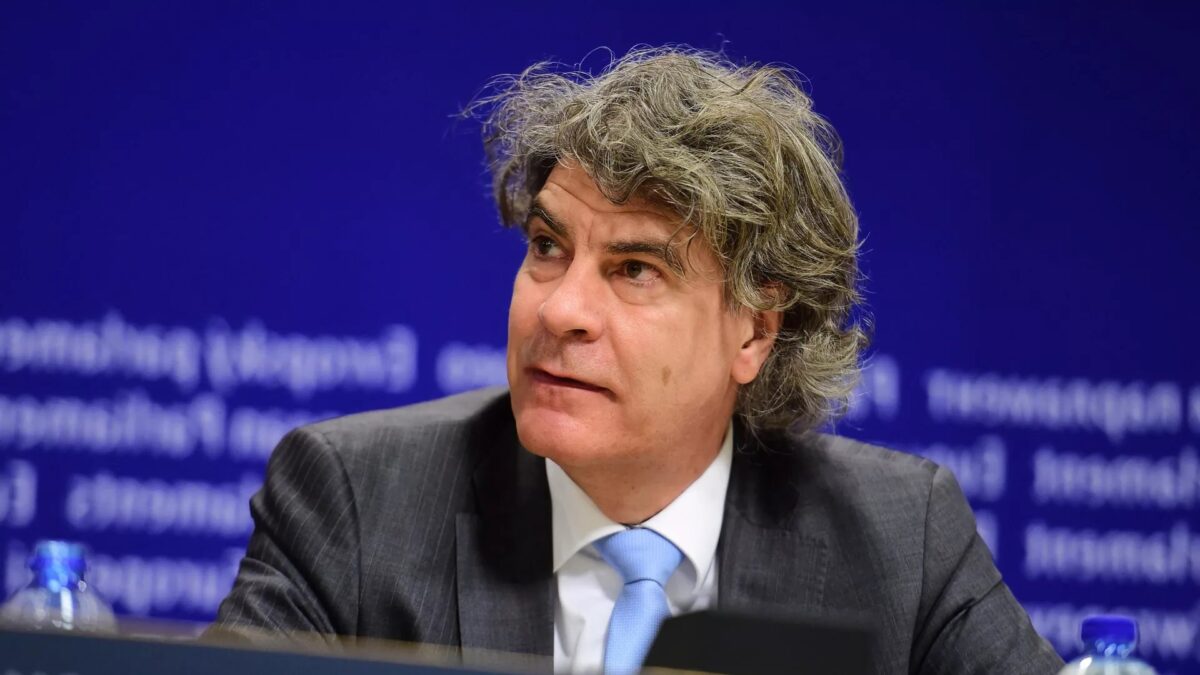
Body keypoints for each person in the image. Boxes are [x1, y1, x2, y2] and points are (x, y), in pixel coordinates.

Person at [210, 47, 1064, 674]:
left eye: (634, 270)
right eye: (548, 246)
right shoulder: (358, 502)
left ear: (754, 331)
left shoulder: (901, 538)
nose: (561, 310)